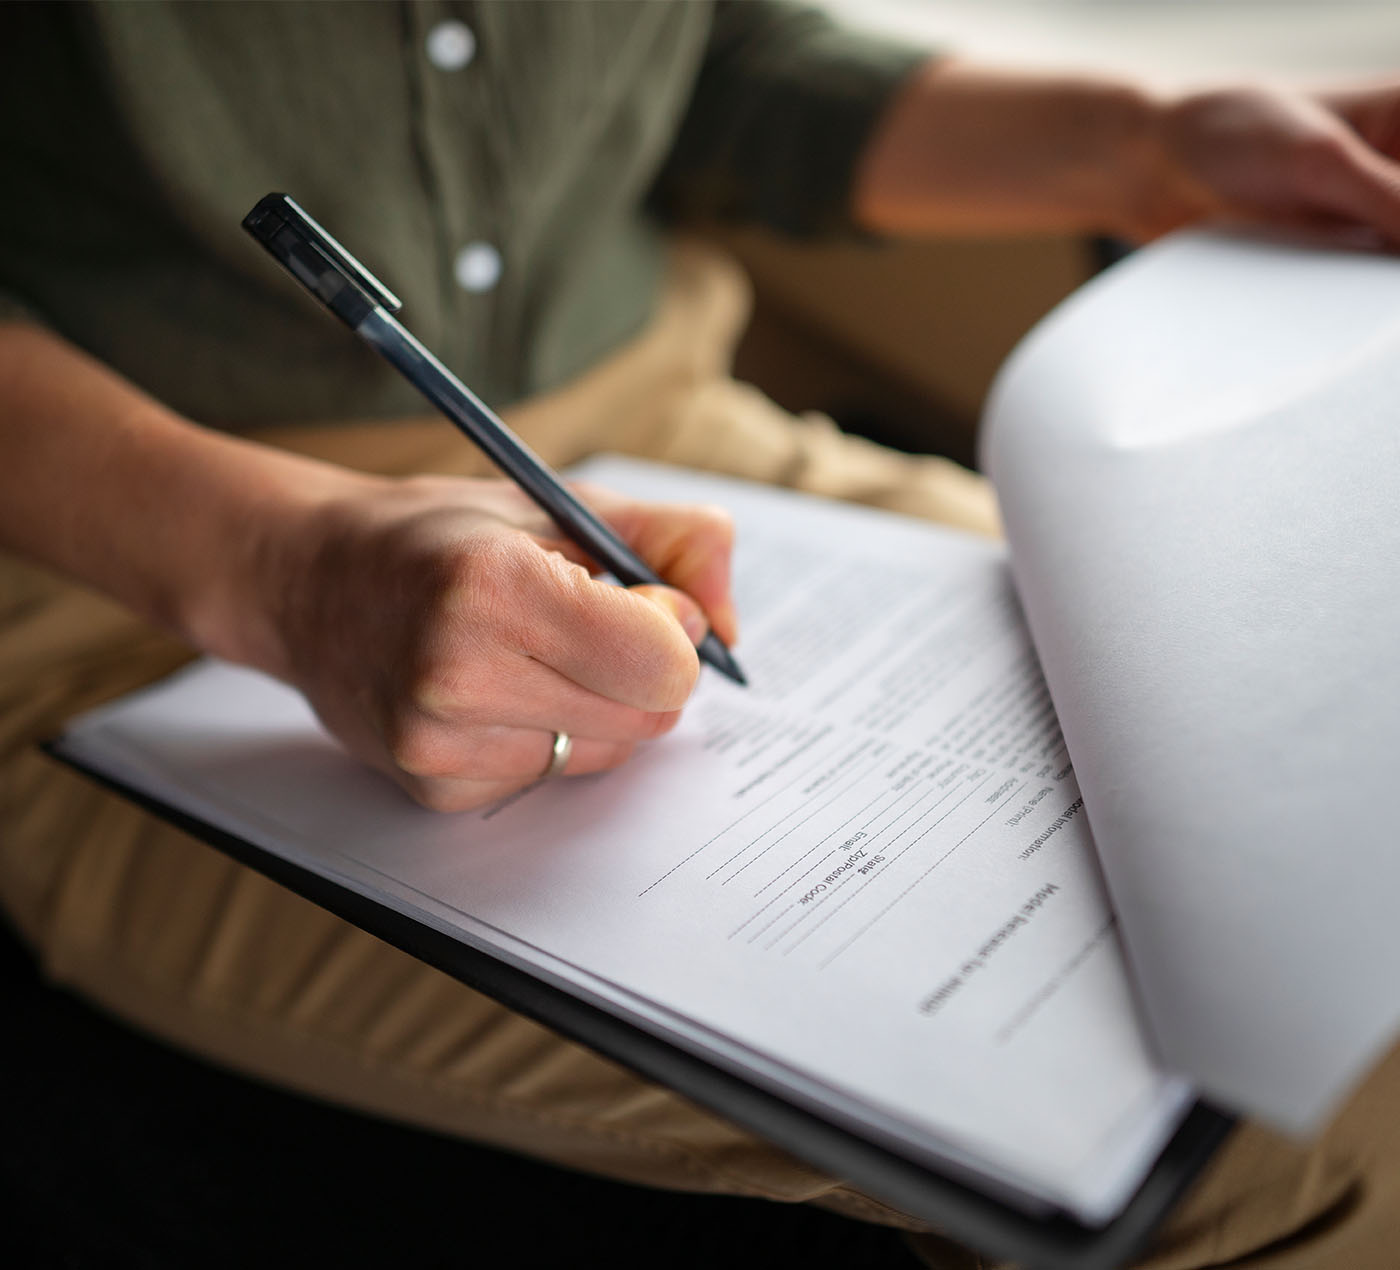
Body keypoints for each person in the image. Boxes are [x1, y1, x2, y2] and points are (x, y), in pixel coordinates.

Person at [1, 2, 1398, 1265]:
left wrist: (1142, 147)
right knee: (1294, 1134)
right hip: (126, 554)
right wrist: (280, 568)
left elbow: (697, 51)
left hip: (674, 458)